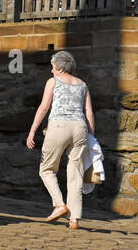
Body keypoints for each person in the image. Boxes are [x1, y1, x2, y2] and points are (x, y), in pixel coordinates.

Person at [26, 50, 95, 230]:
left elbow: (44, 107)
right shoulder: (82, 85)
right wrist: (92, 136)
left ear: (60, 67)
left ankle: (59, 205)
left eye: (53, 67)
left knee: (47, 169)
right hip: (79, 128)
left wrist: (32, 130)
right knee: (75, 174)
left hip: (58, 126)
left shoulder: (53, 82)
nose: (51, 71)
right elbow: (88, 112)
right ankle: (74, 219)